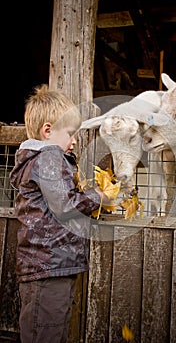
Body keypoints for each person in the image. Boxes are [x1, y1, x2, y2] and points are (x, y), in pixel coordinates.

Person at [10, 84, 109, 343]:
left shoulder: (45, 161)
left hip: (52, 265)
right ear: (48, 130)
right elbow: (65, 205)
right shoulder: (47, 158)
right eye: (70, 133)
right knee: (46, 333)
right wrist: (100, 197)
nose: (74, 141)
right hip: (48, 266)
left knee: (51, 330)